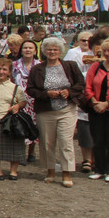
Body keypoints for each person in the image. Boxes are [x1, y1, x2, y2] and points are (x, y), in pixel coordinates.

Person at [26, 37, 85, 187]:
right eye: (49, 49)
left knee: (66, 142)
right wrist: (47, 94)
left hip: (67, 109)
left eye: (55, 49)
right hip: (45, 111)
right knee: (47, 143)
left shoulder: (70, 66)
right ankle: (50, 171)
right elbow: (31, 89)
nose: (52, 52)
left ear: (60, 51)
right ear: (44, 51)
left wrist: (69, 92)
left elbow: (81, 84)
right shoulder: (37, 69)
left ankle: (66, 173)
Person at [83, 36, 109, 182]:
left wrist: (107, 104)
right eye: (104, 50)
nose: (107, 53)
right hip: (96, 109)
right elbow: (88, 86)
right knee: (98, 140)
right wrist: (94, 102)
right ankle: (99, 168)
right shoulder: (96, 67)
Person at [65, 31, 96, 173]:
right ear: (78, 41)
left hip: (98, 94)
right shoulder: (73, 53)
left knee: (98, 129)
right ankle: (86, 159)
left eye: (89, 40)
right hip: (82, 93)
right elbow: (70, 73)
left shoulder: (99, 53)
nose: (86, 43)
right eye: (83, 40)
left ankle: (97, 158)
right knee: (84, 128)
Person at [12, 39, 41, 163]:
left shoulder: (40, 65)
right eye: (25, 48)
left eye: (30, 48)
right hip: (20, 99)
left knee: (34, 126)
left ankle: (32, 152)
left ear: (35, 51)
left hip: (35, 100)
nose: (27, 50)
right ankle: (21, 153)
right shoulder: (14, 65)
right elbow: (11, 81)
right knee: (21, 126)